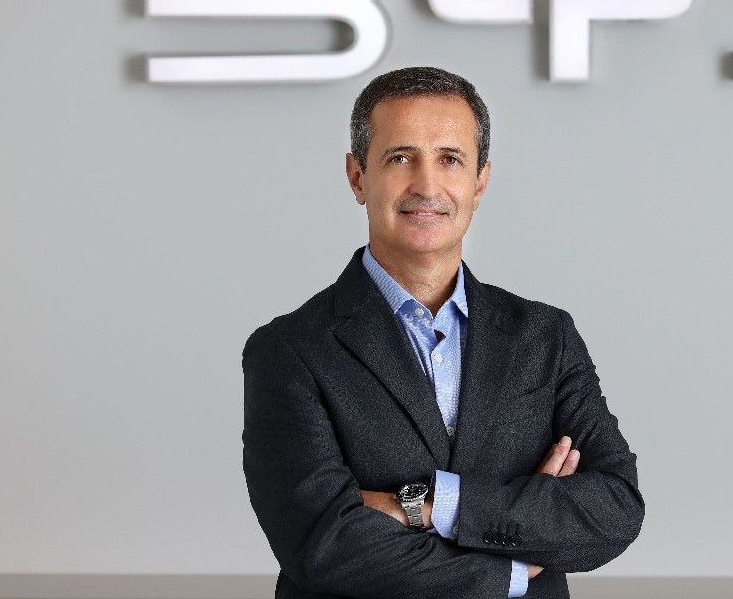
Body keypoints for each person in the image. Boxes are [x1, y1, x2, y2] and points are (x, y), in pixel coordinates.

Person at [242, 66, 643, 599]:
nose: (427, 186)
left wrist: (426, 506)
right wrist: (512, 567)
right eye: (400, 158)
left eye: (450, 159)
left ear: (480, 181)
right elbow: (324, 543)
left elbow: (614, 508)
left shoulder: (546, 336)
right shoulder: (288, 350)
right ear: (358, 176)